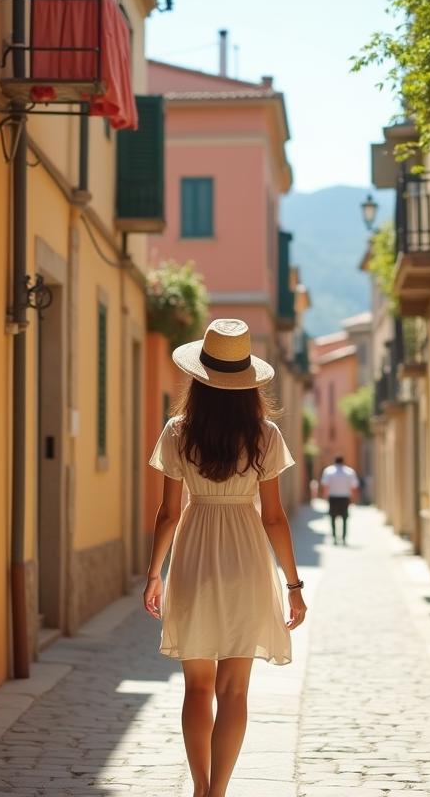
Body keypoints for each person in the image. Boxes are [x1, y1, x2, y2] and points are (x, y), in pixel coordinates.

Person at [143, 318, 308, 797]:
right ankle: (218, 793)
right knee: (234, 689)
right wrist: (294, 586)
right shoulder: (265, 435)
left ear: (199, 378)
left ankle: (200, 788)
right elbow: (274, 518)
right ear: (248, 383)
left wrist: (155, 574)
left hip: (193, 555)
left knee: (197, 688)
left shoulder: (178, 431)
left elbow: (168, 513)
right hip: (247, 558)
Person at [319, 455, 360, 545]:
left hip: (333, 498)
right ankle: (343, 538)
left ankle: (334, 537)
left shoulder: (328, 471)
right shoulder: (349, 472)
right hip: (345, 498)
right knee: (344, 519)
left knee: (333, 518)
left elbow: (324, 485)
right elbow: (354, 486)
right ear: (343, 461)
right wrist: (354, 498)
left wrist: (325, 496)